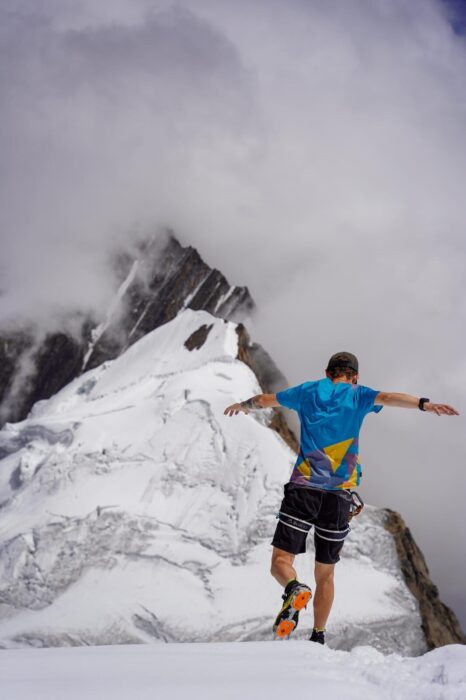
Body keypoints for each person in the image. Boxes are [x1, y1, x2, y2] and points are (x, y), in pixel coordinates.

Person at [224, 351, 459, 644]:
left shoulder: (307, 392)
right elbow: (389, 398)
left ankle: (294, 588)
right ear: (355, 376)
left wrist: (243, 405)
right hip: (338, 498)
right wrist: (425, 404)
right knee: (326, 574)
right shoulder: (359, 396)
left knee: (281, 561)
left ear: (327, 372)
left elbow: (264, 400)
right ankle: (319, 635)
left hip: (304, 489)